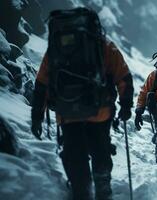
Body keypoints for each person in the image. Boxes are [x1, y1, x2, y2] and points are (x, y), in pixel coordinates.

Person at [30, 8, 134, 200]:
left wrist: (37, 115)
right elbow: (124, 77)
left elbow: (42, 83)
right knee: (100, 147)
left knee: (74, 152)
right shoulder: (103, 45)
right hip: (99, 110)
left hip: (67, 112)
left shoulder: (56, 48)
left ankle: (81, 190)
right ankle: (103, 187)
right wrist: (126, 106)